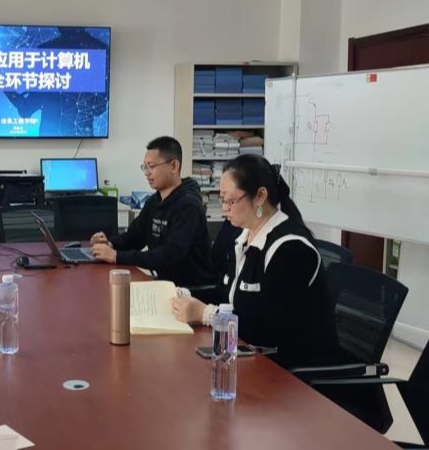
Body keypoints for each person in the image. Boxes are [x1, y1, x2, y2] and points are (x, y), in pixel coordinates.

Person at [171, 155, 340, 370]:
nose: (224, 209)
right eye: (222, 200)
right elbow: (228, 294)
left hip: (294, 372)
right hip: (255, 356)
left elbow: (269, 329)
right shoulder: (246, 235)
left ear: (260, 196)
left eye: (230, 201)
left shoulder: (290, 248)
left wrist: (205, 314)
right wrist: (182, 294)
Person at [90, 136, 216, 288]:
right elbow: (134, 238)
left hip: (192, 290)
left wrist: (117, 256)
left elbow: (169, 255)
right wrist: (109, 244)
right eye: (145, 167)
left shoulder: (189, 206)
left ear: (174, 166)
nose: (147, 173)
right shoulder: (154, 201)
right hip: (166, 284)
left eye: (152, 166)